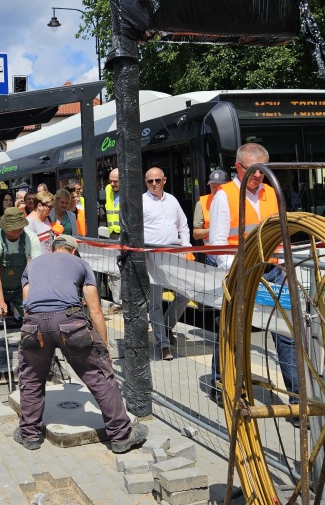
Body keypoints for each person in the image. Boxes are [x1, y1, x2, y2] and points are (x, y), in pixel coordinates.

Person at [13, 234, 148, 453]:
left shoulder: (33, 264)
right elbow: (94, 309)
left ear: (53, 248)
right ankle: (121, 436)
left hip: (34, 324)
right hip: (69, 323)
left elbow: (27, 304)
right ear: (74, 250)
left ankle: (29, 435)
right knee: (99, 376)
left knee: (31, 377)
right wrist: (103, 348)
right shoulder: (80, 263)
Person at [207, 144, 295, 405]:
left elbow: (281, 234)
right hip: (241, 271)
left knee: (285, 332)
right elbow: (218, 243)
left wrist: (286, 267)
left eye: (263, 170)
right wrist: (234, 276)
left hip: (273, 271)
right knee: (234, 331)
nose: (258, 175)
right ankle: (223, 384)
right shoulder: (225, 196)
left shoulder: (272, 192)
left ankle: (296, 397)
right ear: (238, 168)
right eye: (252, 170)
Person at [0, 208, 43, 388]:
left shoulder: (30, 238)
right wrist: (1, 302)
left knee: (37, 316)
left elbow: (35, 272)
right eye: (13, 228)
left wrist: (30, 302)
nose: (16, 232)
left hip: (20, 285)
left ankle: (44, 361)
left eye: (19, 228)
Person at [142, 167, 191, 361]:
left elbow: (183, 225)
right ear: (146, 183)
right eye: (150, 181)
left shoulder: (172, 200)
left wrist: (186, 248)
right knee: (154, 303)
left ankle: (166, 327)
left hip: (174, 255)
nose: (154, 184)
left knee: (185, 293)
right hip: (152, 257)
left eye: (157, 180)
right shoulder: (142, 201)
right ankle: (163, 344)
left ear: (164, 180)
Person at [193, 169, 228, 266]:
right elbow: (196, 234)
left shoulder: (235, 200)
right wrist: (215, 229)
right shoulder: (202, 203)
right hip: (212, 254)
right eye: (213, 186)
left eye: (219, 186)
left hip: (232, 251)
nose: (216, 189)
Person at [104, 168, 122, 305]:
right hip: (113, 235)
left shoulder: (130, 191)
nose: (112, 184)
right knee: (115, 269)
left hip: (127, 236)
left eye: (115, 181)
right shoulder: (108, 190)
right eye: (110, 180)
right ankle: (118, 302)